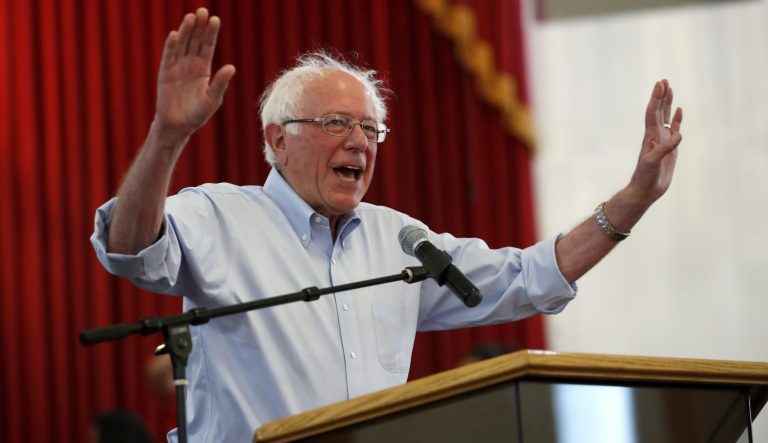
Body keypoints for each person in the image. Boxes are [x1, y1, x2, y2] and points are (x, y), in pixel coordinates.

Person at [90, 8, 683, 442]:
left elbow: (524, 277)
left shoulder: (399, 239)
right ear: (278, 140)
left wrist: (636, 198)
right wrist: (167, 137)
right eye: (336, 124)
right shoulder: (221, 215)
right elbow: (130, 247)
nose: (360, 143)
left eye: (371, 130)